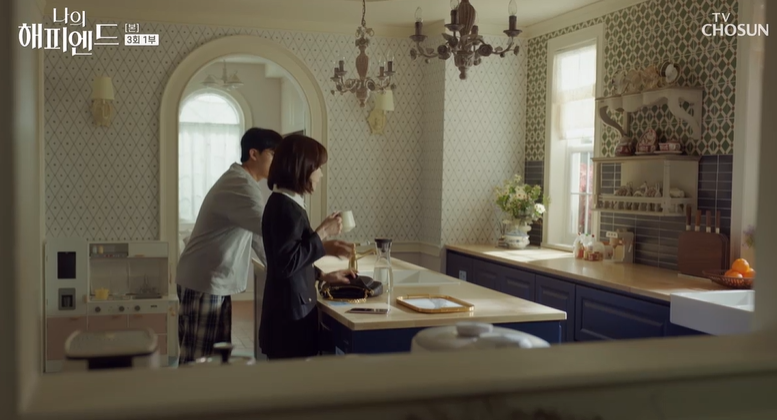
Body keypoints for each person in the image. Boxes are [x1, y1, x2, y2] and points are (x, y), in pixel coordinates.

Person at [175, 127, 280, 365]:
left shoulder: (242, 182)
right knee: (199, 361)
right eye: (274, 154)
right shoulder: (241, 185)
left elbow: (258, 237)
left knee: (214, 358)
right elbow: (269, 231)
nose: (278, 162)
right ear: (254, 154)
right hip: (205, 281)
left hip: (207, 280)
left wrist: (281, 266)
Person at [260, 134, 354, 360]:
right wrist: (323, 232)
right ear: (303, 167)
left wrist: (323, 276)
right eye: (318, 167)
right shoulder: (286, 208)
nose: (320, 174)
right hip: (290, 323)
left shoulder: (286, 203)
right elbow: (286, 264)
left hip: (287, 317)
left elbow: (293, 258)